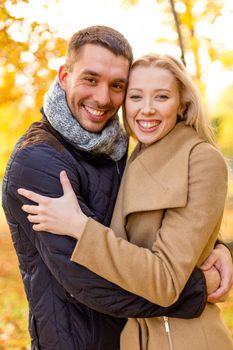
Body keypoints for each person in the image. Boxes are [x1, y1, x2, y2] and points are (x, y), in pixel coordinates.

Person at [2, 25, 231, 350]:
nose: (102, 97)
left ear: (181, 103)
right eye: (90, 79)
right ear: (64, 76)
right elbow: (91, 282)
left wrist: (217, 248)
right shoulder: (38, 161)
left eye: (117, 86)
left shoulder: (117, 150)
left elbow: (156, 229)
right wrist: (198, 286)